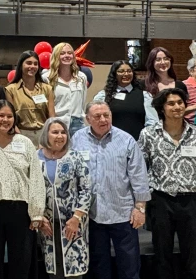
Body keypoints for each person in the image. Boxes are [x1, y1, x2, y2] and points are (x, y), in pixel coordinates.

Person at [138, 88, 196, 279]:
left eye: (180, 102)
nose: (177, 107)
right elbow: (140, 166)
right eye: (171, 103)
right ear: (162, 108)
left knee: (192, 253)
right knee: (161, 252)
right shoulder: (148, 134)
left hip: (192, 200)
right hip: (161, 200)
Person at [70, 101, 150, 279]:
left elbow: (139, 175)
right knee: (99, 266)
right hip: (92, 213)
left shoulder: (126, 140)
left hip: (123, 213)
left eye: (106, 115)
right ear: (88, 119)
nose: (103, 119)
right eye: (97, 116)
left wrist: (140, 208)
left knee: (129, 266)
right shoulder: (77, 139)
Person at [0, 100, 46, 279]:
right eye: (0, 115)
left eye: (9, 116)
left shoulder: (25, 142)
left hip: (20, 210)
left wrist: (36, 213)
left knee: (21, 261)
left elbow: (36, 178)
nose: (5, 120)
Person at [36, 117, 91, 279]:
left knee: (74, 269)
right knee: (54, 268)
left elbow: (87, 189)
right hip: (47, 223)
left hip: (73, 222)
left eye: (63, 132)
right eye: (55, 132)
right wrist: (38, 217)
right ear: (46, 135)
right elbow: (30, 190)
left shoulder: (75, 157)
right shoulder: (35, 157)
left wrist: (76, 218)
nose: (60, 136)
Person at [91, 61, 157, 140]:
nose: (126, 74)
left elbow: (152, 122)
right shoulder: (103, 96)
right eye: (121, 71)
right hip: (110, 142)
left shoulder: (144, 95)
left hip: (137, 142)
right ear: (114, 74)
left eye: (129, 71)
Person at [5, 50, 55, 142]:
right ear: (21, 65)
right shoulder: (10, 90)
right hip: (21, 134)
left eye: (35, 64)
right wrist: (18, 136)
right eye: (28, 63)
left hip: (43, 134)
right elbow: (10, 117)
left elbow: (51, 117)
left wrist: (49, 135)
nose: (32, 66)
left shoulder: (47, 89)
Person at [48, 42, 90, 132]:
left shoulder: (81, 77)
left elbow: (83, 102)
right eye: (62, 53)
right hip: (58, 122)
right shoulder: (47, 78)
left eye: (70, 53)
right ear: (56, 56)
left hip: (78, 124)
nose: (67, 56)